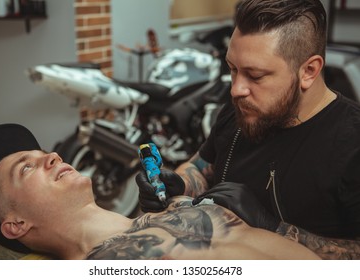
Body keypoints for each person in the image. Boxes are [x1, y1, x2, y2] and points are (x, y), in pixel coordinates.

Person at [136, 0, 360, 260]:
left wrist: (273, 228)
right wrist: (180, 185)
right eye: (233, 69)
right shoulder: (238, 111)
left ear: (309, 71)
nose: (236, 90)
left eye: (255, 76)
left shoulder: (352, 143)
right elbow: (200, 167)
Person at [0, 124, 320, 260]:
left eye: (43, 152)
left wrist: (278, 228)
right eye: (26, 167)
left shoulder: (174, 209)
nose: (52, 156)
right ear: (15, 224)